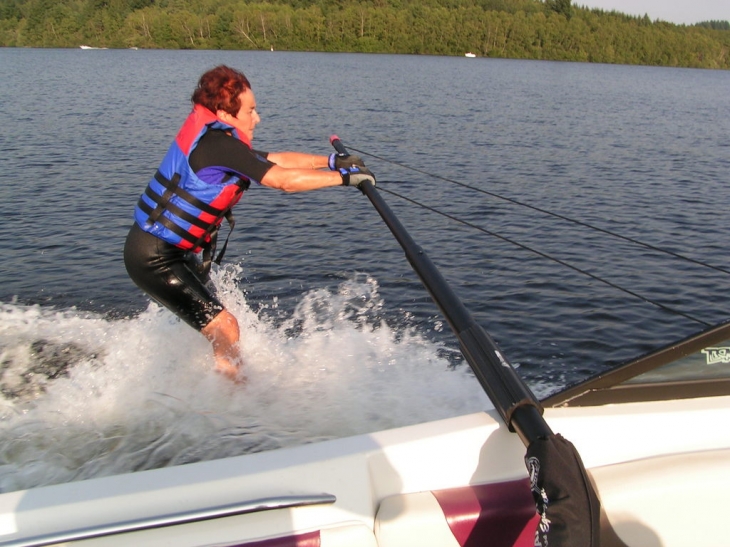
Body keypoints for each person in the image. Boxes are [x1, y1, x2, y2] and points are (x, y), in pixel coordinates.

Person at [124, 65, 375, 382]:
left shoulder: (219, 142)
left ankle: (208, 382)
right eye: (251, 111)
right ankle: (233, 405)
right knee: (225, 326)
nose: (257, 118)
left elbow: (273, 159)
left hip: (170, 251)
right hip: (153, 258)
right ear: (225, 114)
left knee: (222, 321)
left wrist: (331, 162)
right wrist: (344, 180)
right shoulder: (218, 146)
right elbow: (282, 180)